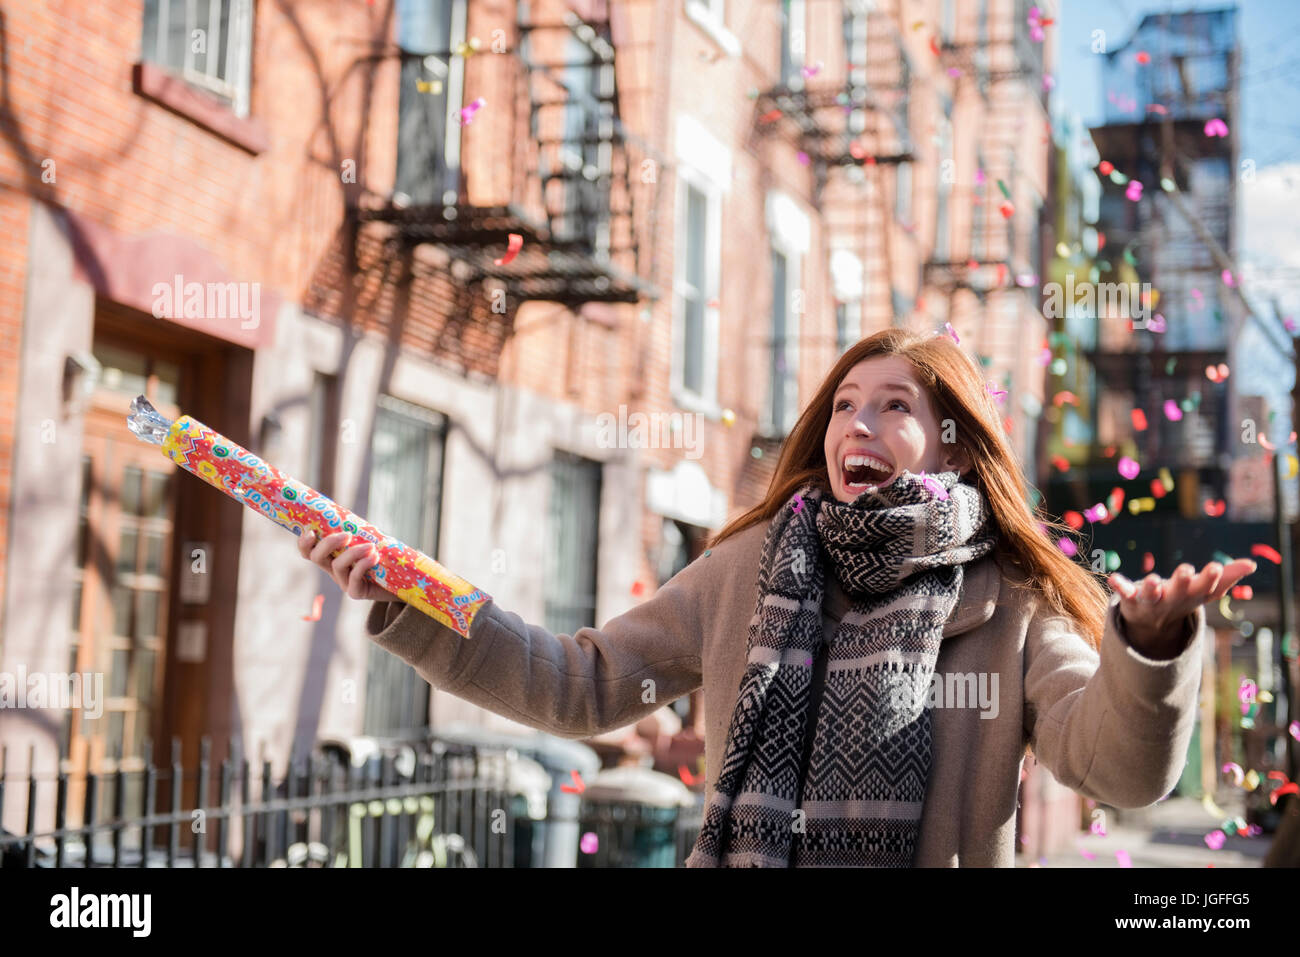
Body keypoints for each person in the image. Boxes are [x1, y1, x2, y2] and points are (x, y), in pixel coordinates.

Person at [297, 328, 1255, 867]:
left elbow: (1119, 769)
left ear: (954, 445)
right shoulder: (751, 568)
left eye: (892, 406)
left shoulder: (1008, 601)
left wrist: (1150, 649)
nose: (856, 422)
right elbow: (581, 687)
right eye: (843, 404)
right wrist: (419, 605)